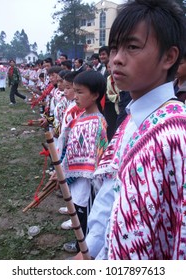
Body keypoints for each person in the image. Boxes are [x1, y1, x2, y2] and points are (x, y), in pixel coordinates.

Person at [73, 0, 186, 260]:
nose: (116, 60)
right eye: (114, 48)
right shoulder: (131, 121)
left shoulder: (176, 136)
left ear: (169, 57)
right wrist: (88, 250)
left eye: (132, 47)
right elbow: (109, 196)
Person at [52, 70, 108, 254]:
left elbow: (96, 158)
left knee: (86, 218)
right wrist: (62, 169)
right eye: (73, 91)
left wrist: (69, 171)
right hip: (76, 180)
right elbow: (72, 148)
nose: (75, 96)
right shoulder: (81, 117)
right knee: (77, 213)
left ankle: (84, 251)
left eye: (80, 92)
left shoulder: (98, 123)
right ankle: (80, 247)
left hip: (88, 183)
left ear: (95, 95)